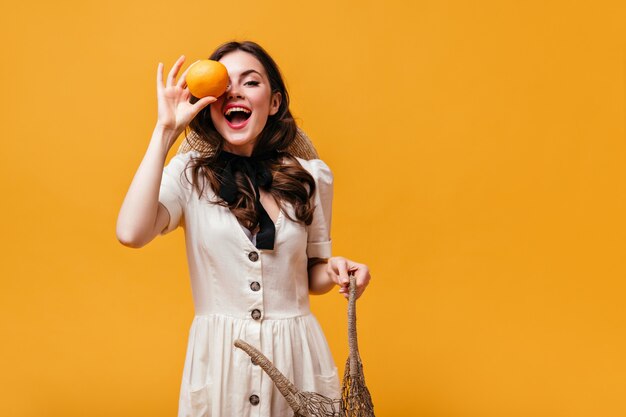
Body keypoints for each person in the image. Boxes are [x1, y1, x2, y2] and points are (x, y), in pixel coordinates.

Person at [116, 40, 371, 417]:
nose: (234, 91)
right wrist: (165, 131)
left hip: (297, 356)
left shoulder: (311, 177)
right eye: (224, 85)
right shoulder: (189, 176)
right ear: (210, 101)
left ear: (274, 103)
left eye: (250, 82)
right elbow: (131, 233)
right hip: (221, 362)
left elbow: (311, 272)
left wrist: (335, 271)